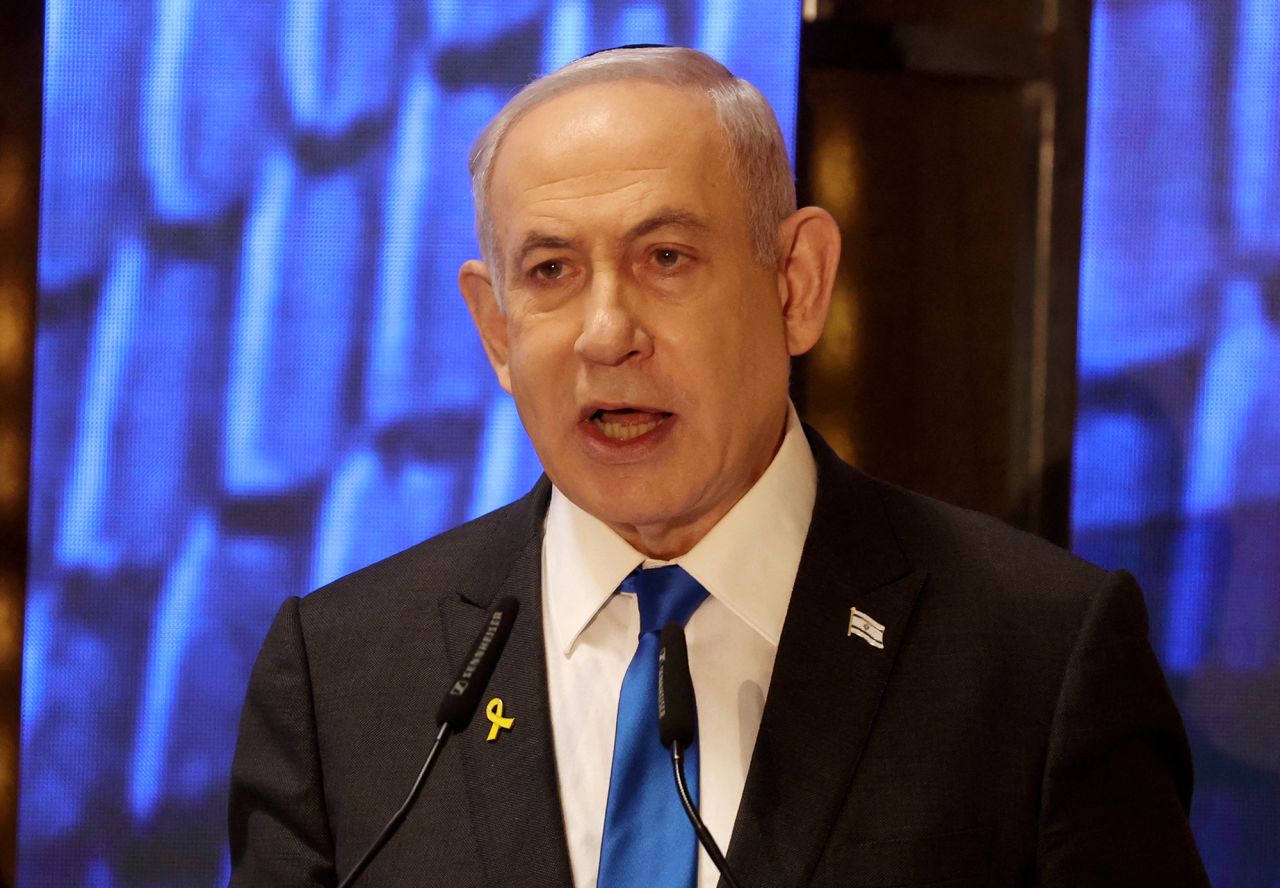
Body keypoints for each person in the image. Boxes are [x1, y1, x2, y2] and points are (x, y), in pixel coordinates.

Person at [229, 46, 1209, 887]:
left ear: (796, 285)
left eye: (664, 257)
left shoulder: (1034, 658)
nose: (605, 334)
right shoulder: (341, 676)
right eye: (550, 272)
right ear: (495, 329)